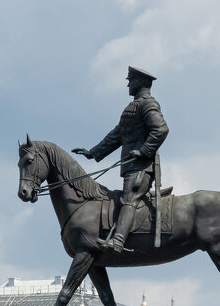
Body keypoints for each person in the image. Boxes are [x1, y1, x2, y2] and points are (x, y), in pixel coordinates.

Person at [72, 66, 169, 253]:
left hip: (141, 166)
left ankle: (118, 241)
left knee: (128, 199)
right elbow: (118, 134)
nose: (128, 84)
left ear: (140, 82)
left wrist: (144, 150)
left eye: (130, 80)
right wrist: (93, 152)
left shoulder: (148, 104)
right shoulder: (134, 106)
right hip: (132, 165)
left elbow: (161, 129)